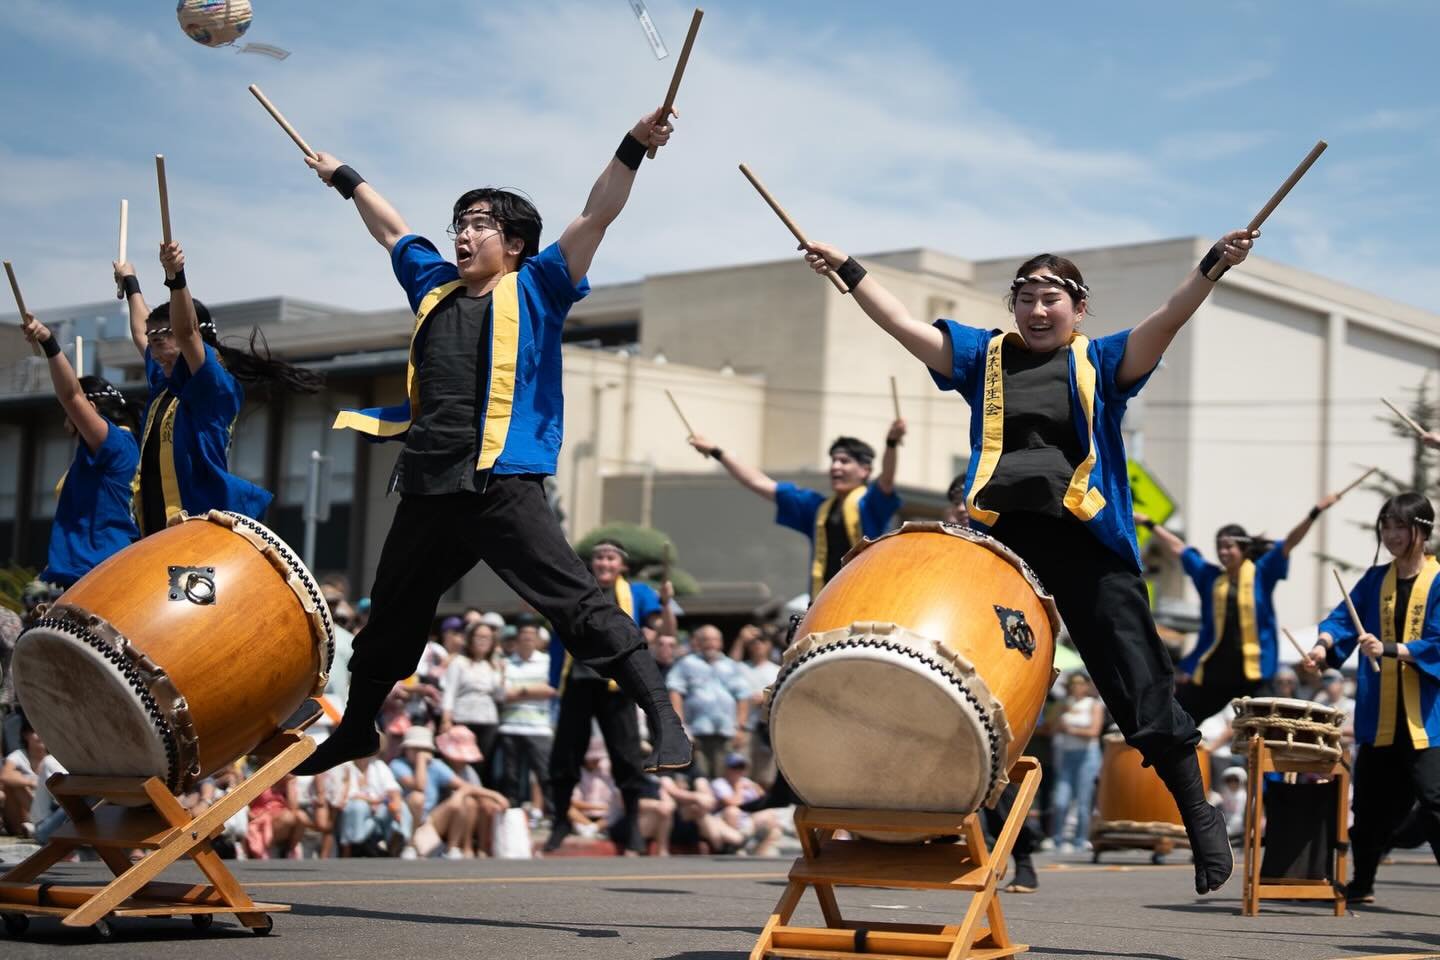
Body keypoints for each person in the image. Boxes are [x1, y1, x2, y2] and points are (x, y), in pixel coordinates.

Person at [799, 224, 1257, 895]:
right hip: (1003, 544)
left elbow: (1168, 317)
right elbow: (899, 323)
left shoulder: (1100, 361)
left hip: (1085, 540)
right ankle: (996, 834)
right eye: (1026, 297)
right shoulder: (982, 358)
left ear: (1078, 307)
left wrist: (1216, 265)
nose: (1038, 310)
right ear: (1012, 306)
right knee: (977, 685)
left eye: (1051, 298)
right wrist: (848, 267)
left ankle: (1197, 815)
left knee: (1136, 680)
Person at [291, 105, 689, 779]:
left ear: (515, 243)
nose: (465, 235)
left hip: (502, 480)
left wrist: (632, 146)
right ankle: (357, 729)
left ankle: (662, 717)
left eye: (480, 224)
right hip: (427, 481)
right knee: (389, 616)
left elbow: (597, 214)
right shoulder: (434, 286)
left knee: (576, 604)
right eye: (462, 224)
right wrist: (343, 176)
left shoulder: (539, 285)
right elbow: (391, 228)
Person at [116, 241, 321, 535]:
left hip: (195, 524)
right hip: (157, 530)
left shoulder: (212, 384)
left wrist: (176, 276)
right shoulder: (165, 383)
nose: (153, 351)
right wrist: (131, 281)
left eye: (159, 341)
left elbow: (186, 332)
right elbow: (139, 330)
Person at [1300, 492, 1440, 903]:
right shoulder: (1376, 580)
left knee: (1435, 805)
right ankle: (1362, 883)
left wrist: (1393, 649)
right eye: (1387, 526)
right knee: (1373, 807)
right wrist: (1323, 647)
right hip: (1380, 717)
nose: (1392, 535)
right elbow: (1343, 617)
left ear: (1423, 530)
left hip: (1427, 721)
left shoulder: (1438, 580)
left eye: (1401, 526)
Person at [1141, 498, 1337, 722]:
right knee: (1179, 718)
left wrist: (1315, 512)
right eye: (1219, 547)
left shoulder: (1261, 574)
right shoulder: (1210, 577)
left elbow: (1289, 542)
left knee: (1267, 728)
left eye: (1228, 547)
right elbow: (1180, 549)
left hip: (1255, 673)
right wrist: (1149, 523)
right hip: (1216, 672)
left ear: (1243, 548)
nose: (1223, 552)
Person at [546, 539, 676, 853]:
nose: (604, 563)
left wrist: (668, 603)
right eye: (599, 558)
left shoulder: (639, 593)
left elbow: (665, 631)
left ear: (622, 566)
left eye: (610, 558)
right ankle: (560, 820)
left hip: (618, 685)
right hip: (577, 678)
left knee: (627, 756)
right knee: (565, 755)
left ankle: (632, 824)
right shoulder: (577, 588)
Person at [687, 427, 905, 601]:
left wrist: (891, 443)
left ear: (865, 470)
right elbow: (759, 483)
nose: (835, 467)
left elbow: (886, 479)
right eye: (833, 461)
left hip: (868, 600)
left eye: (844, 461)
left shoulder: (871, 504)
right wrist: (716, 451)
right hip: (824, 603)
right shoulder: (816, 507)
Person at [20, 313, 140, 586]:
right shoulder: (110, 451)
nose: (65, 418)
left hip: (92, 572)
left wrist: (49, 342)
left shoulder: (115, 444)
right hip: (86, 570)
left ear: (91, 411)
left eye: (69, 413)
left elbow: (71, 394)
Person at [667, 625, 752, 779]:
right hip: (696, 733)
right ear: (698, 642)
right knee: (700, 778)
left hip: (726, 732)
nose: (711, 643)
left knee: (725, 779)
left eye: (715, 640)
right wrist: (679, 725)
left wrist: (740, 727)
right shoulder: (686, 664)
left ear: (721, 643)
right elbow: (675, 691)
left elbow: (743, 696)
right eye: (706, 640)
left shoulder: (731, 666)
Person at [440, 620, 506, 787]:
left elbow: (500, 696)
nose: (483, 641)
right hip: (463, 718)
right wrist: (446, 719)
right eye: (479, 637)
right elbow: (450, 692)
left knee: (483, 764)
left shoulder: (493, 665)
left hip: (488, 719)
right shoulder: (458, 662)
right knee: (460, 762)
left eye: (487, 638)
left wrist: (502, 675)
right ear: (470, 639)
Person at [1049, 672, 1104, 852]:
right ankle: (1057, 838)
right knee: (1060, 800)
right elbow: (1052, 728)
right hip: (1067, 755)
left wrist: (1070, 729)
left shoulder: (1093, 705)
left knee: (1082, 801)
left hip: (1087, 756)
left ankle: (1080, 840)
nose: (1076, 686)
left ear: (1087, 686)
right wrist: (1060, 716)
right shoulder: (1065, 704)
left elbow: (1093, 732)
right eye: (1073, 683)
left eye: (1080, 683)